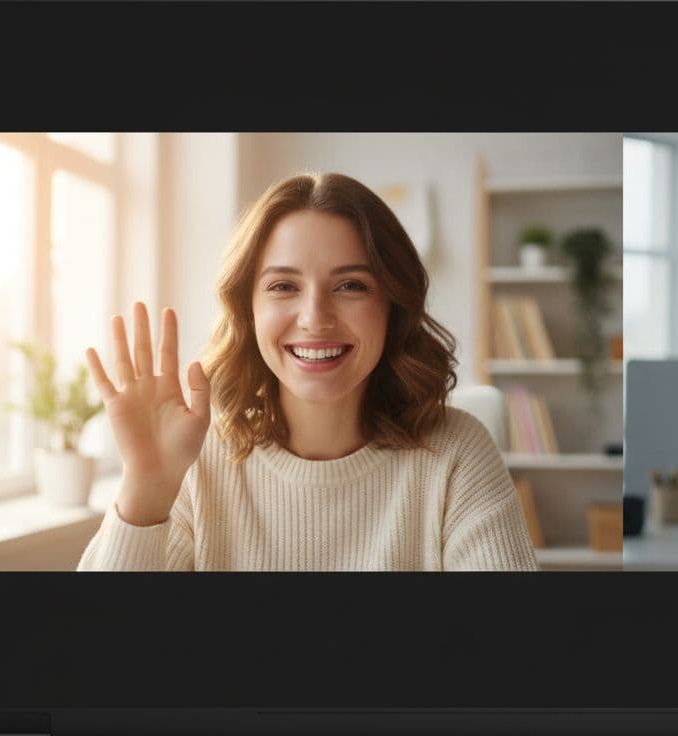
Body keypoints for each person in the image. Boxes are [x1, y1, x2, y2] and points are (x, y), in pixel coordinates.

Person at [78, 173, 539, 571]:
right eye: (283, 286)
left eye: (351, 285)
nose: (315, 318)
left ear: (393, 305)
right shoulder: (197, 460)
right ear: (248, 311)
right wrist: (146, 488)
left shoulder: (457, 453)